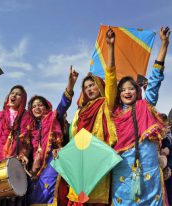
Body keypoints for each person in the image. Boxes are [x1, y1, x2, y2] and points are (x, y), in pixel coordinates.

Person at [111, 27, 170, 205]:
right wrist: (111, 48)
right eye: (123, 90)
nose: (127, 92)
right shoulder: (114, 114)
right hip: (122, 169)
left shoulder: (145, 105)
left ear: (137, 91)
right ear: (118, 94)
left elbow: (155, 80)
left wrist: (164, 46)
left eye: (131, 88)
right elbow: (110, 76)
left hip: (149, 168)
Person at [67, 28, 117, 205]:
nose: (89, 89)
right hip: (80, 159)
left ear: (99, 87)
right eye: (86, 87)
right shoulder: (79, 112)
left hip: (98, 160)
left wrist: (110, 47)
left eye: (92, 85)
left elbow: (111, 78)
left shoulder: (105, 104)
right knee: (78, 200)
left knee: (94, 200)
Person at [27, 67, 78, 205]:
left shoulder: (53, 117)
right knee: (33, 196)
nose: (37, 108)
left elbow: (64, 104)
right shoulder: (30, 128)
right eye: (34, 106)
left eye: (40, 105)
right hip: (34, 168)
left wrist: (71, 84)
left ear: (46, 107)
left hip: (52, 160)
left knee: (49, 193)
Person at [0, 85, 32, 206]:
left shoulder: (27, 118)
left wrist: (24, 154)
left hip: (15, 162)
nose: (14, 95)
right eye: (12, 93)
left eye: (18, 94)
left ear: (23, 99)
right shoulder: (0, 115)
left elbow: (27, 142)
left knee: (11, 199)